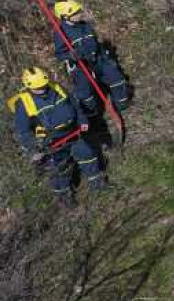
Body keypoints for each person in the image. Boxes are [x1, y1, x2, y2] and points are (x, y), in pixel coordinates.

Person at [9, 67, 105, 203]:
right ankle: (66, 198)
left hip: (73, 132)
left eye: (43, 85)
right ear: (28, 86)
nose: (42, 89)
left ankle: (98, 185)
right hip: (52, 142)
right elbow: (23, 131)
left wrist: (82, 120)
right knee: (61, 170)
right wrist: (33, 149)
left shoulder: (57, 88)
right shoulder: (23, 103)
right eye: (38, 87)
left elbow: (75, 106)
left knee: (87, 154)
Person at [52, 0, 130, 114]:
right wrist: (71, 55)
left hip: (98, 59)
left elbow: (95, 42)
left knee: (116, 77)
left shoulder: (85, 25)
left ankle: (121, 104)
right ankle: (93, 112)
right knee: (85, 93)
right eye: (75, 13)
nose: (79, 14)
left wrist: (105, 57)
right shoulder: (60, 33)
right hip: (81, 66)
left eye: (79, 11)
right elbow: (59, 55)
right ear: (65, 16)